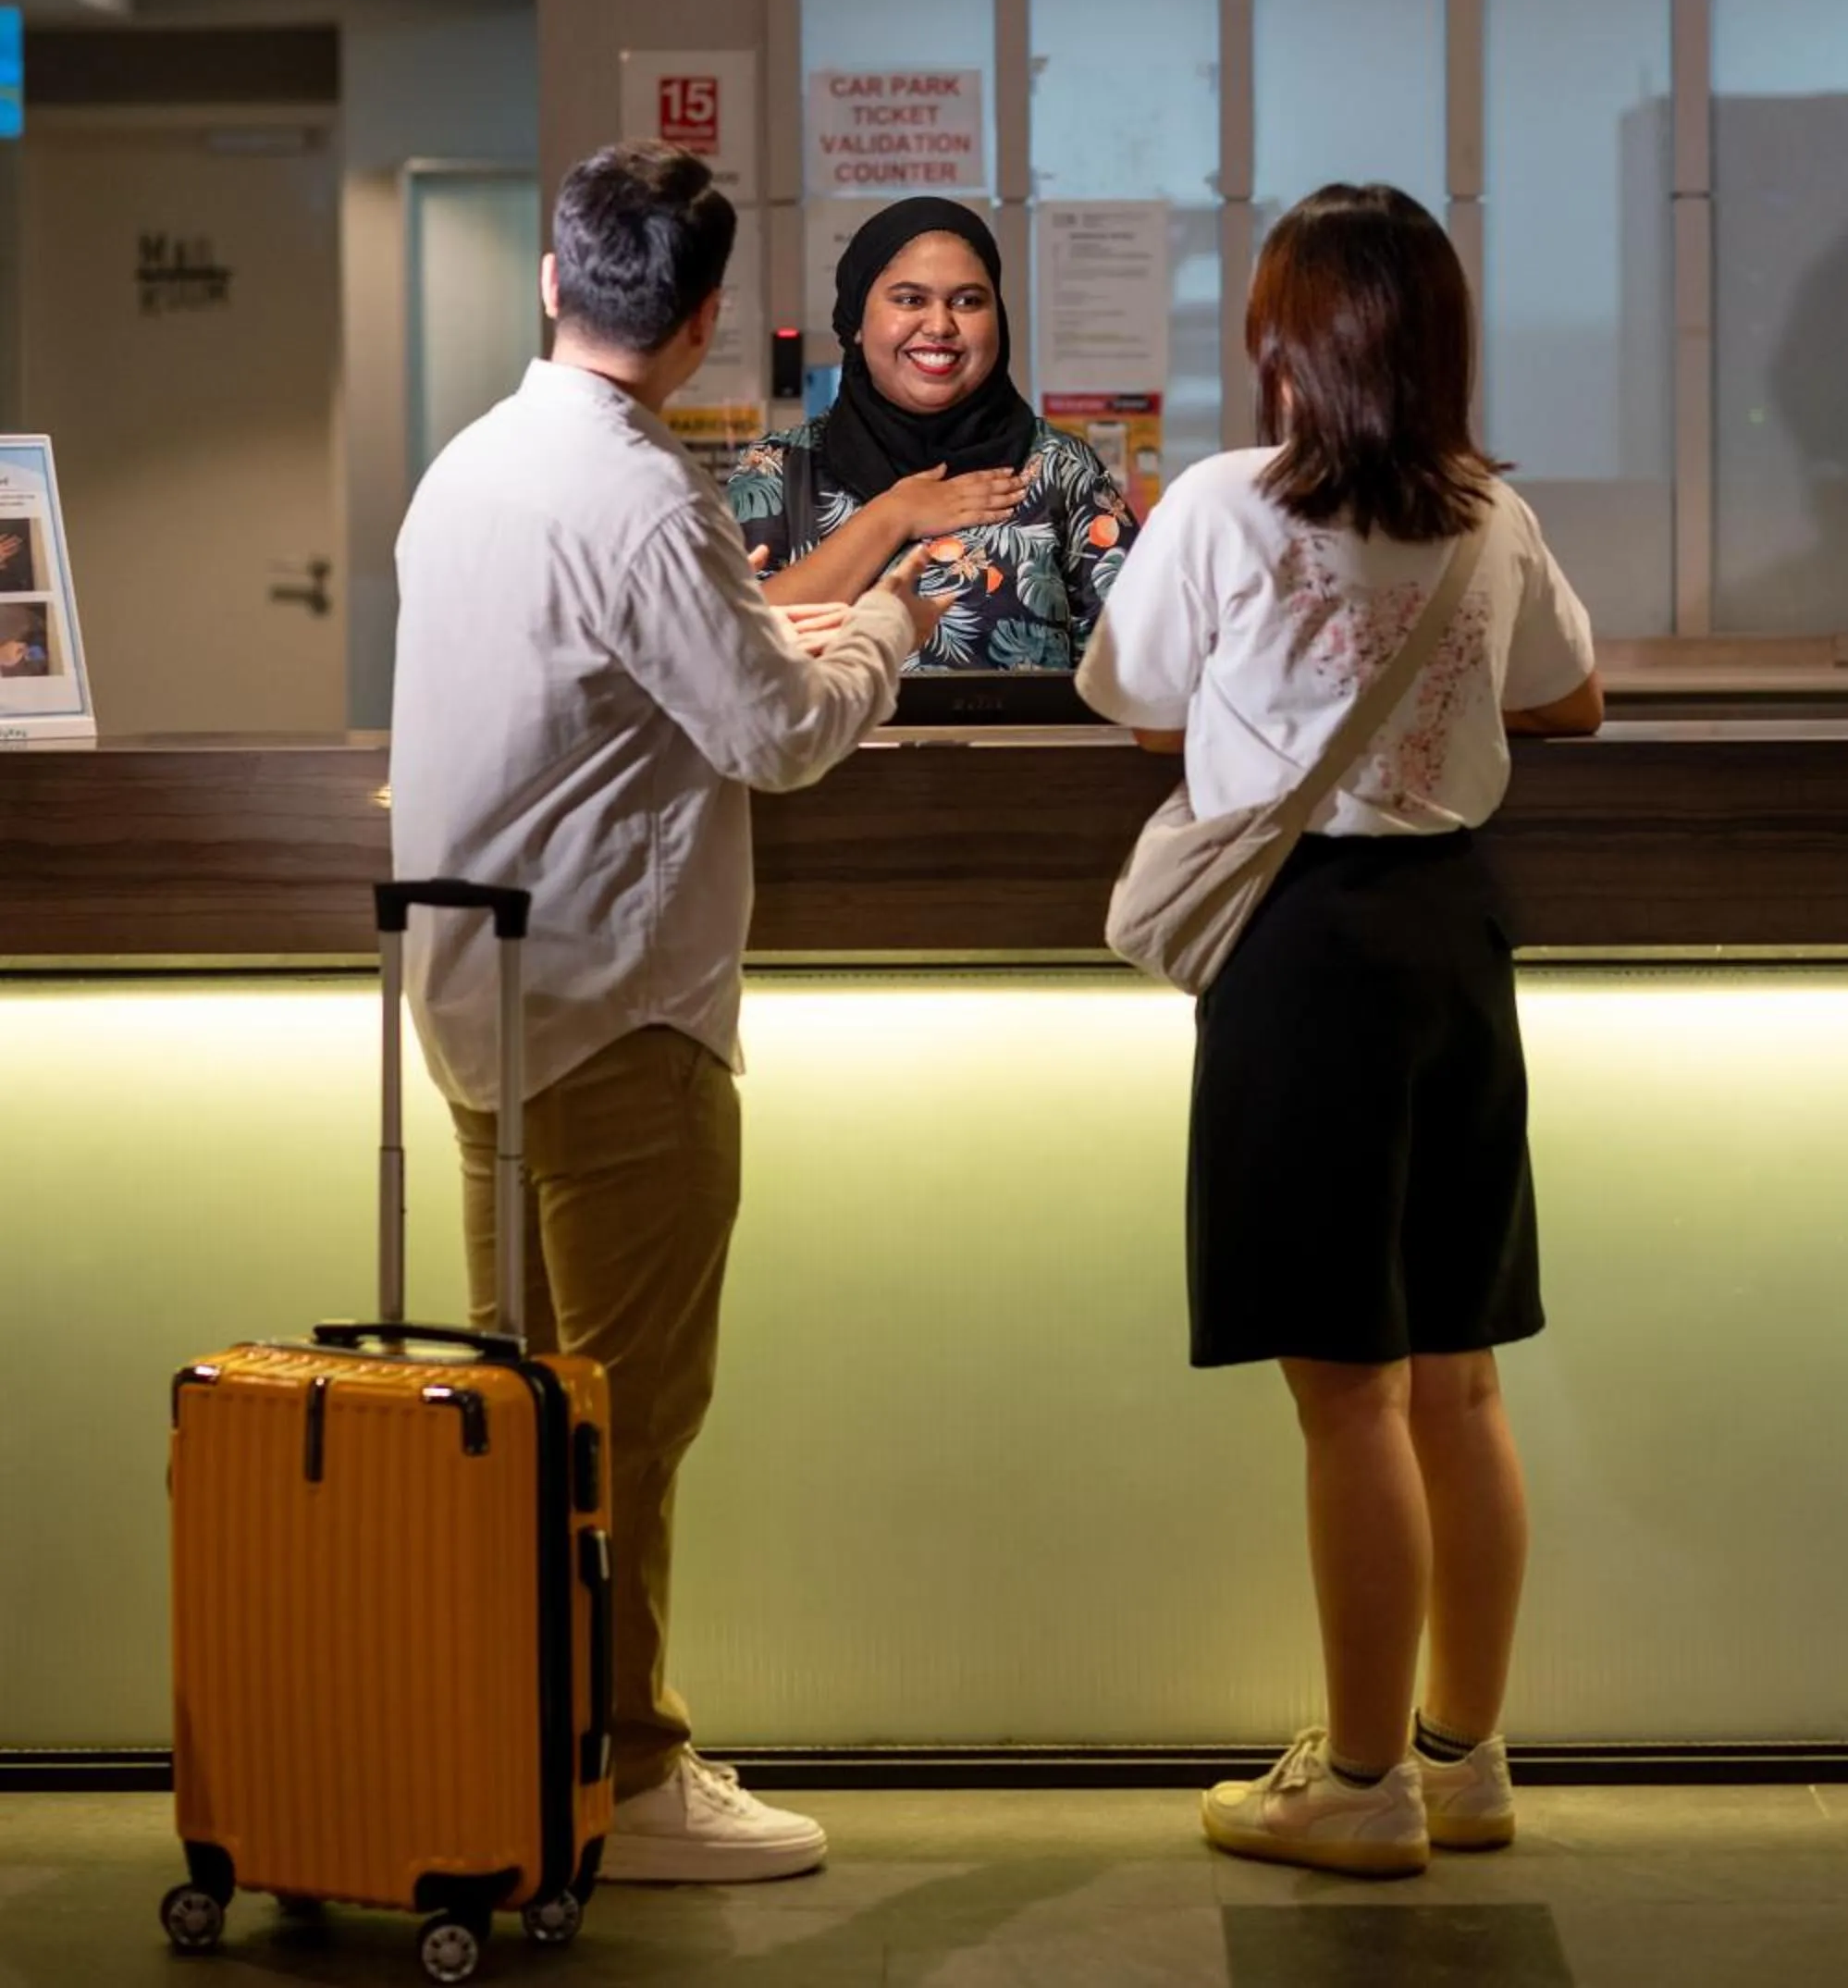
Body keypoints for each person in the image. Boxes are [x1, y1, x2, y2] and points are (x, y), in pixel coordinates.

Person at [389, 144, 944, 1885]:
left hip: (479, 995)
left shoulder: (467, 469)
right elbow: (773, 734)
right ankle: (625, 1772)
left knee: (526, 1410)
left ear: (553, 283)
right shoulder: (636, 495)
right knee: (619, 1412)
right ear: (702, 323)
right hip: (619, 1007)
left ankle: (522, 1744)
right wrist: (886, 630)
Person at [1078, 183, 1601, 1880]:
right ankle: (1456, 1757)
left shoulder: (1225, 506)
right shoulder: (1484, 515)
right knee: (1456, 1381)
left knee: (1347, 1397)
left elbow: (1130, 694)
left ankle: (1358, 1786)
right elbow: (1570, 693)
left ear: (1296, 340)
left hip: (1305, 952)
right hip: (1454, 941)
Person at [727, 198, 1138, 669]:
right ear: (856, 321)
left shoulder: (1062, 470)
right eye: (909, 300)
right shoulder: (779, 470)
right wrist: (894, 515)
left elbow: (1135, 672)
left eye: (968, 301)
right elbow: (731, 650)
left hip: (1024, 746)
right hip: (829, 746)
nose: (940, 325)